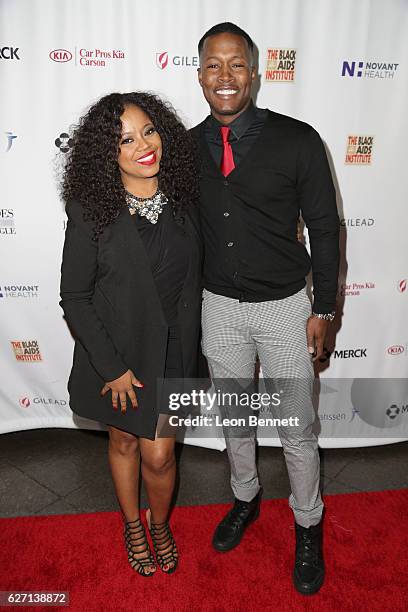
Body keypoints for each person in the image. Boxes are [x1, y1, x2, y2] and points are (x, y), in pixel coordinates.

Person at [191, 23, 340, 595]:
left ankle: (308, 523)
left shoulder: (298, 140)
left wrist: (324, 308)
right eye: (212, 65)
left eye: (236, 65)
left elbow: (324, 229)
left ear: (255, 73)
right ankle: (246, 497)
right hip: (219, 310)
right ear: (199, 73)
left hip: (284, 308)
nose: (224, 77)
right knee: (235, 420)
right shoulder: (183, 146)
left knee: (297, 426)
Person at [59, 92, 202, 577]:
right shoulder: (91, 212)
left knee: (160, 455)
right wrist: (111, 368)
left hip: (174, 351)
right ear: (107, 153)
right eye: (125, 139)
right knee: (122, 443)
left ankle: (159, 524)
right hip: (119, 357)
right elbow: (74, 297)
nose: (143, 145)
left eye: (149, 131)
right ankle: (132, 525)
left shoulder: (186, 197)